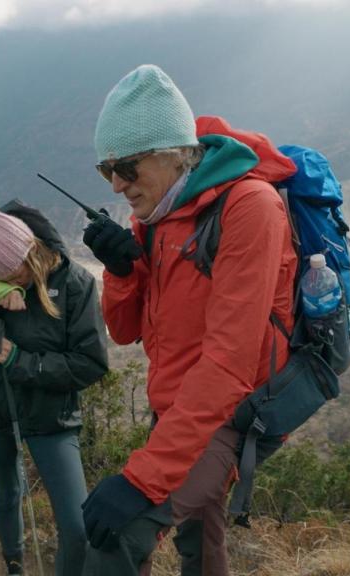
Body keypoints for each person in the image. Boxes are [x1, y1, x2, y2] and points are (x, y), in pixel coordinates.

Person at [79, 64, 299, 575]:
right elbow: (127, 330)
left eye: (127, 168)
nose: (116, 185)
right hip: (180, 404)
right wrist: (121, 270)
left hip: (234, 413)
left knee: (120, 536)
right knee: (200, 542)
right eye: (106, 169)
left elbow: (229, 362)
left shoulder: (249, 208)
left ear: (174, 151)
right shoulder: (156, 213)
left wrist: (141, 480)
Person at [0, 200, 108, 576]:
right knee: (7, 495)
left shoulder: (75, 283)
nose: (9, 279)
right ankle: (14, 566)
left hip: (53, 418)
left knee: (76, 527)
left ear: (30, 253)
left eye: (11, 271)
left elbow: (91, 363)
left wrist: (21, 362)